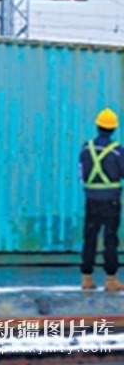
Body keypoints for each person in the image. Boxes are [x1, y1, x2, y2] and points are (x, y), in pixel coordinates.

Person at [80, 107, 124, 290]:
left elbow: (82, 175)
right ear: (113, 129)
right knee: (110, 239)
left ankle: (86, 278)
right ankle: (111, 280)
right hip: (111, 201)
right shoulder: (117, 151)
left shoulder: (86, 148)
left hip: (91, 201)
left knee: (90, 237)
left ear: (98, 127)